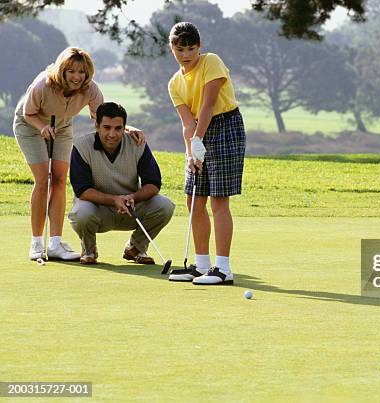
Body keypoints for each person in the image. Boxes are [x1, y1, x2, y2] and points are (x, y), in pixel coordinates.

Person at [14, 47, 145, 262]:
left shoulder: (90, 89)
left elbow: (102, 118)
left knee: (59, 179)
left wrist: (127, 128)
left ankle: (55, 243)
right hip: (30, 125)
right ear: (62, 71)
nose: (77, 77)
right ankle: (36, 243)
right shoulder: (43, 85)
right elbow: (28, 113)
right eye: (71, 71)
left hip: (62, 127)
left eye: (82, 72)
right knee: (43, 180)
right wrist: (42, 128)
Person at [166, 22, 246, 285]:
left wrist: (199, 138)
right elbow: (187, 121)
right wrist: (191, 151)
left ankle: (223, 268)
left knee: (218, 200)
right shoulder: (175, 83)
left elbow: (209, 105)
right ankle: (201, 266)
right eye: (180, 49)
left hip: (225, 126)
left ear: (199, 46)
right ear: (172, 48)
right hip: (199, 132)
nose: (186, 54)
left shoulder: (211, 61)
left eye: (191, 48)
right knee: (193, 200)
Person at [68, 102, 175, 265]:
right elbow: (82, 190)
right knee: (82, 212)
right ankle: (89, 250)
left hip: (131, 208)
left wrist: (133, 197)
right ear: (97, 126)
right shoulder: (82, 146)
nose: (112, 134)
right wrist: (114, 199)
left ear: (125, 127)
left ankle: (136, 248)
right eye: (107, 127)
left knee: (165, 206)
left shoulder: (137, 144)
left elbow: (153, 183)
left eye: (118, 128)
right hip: (98, 209)